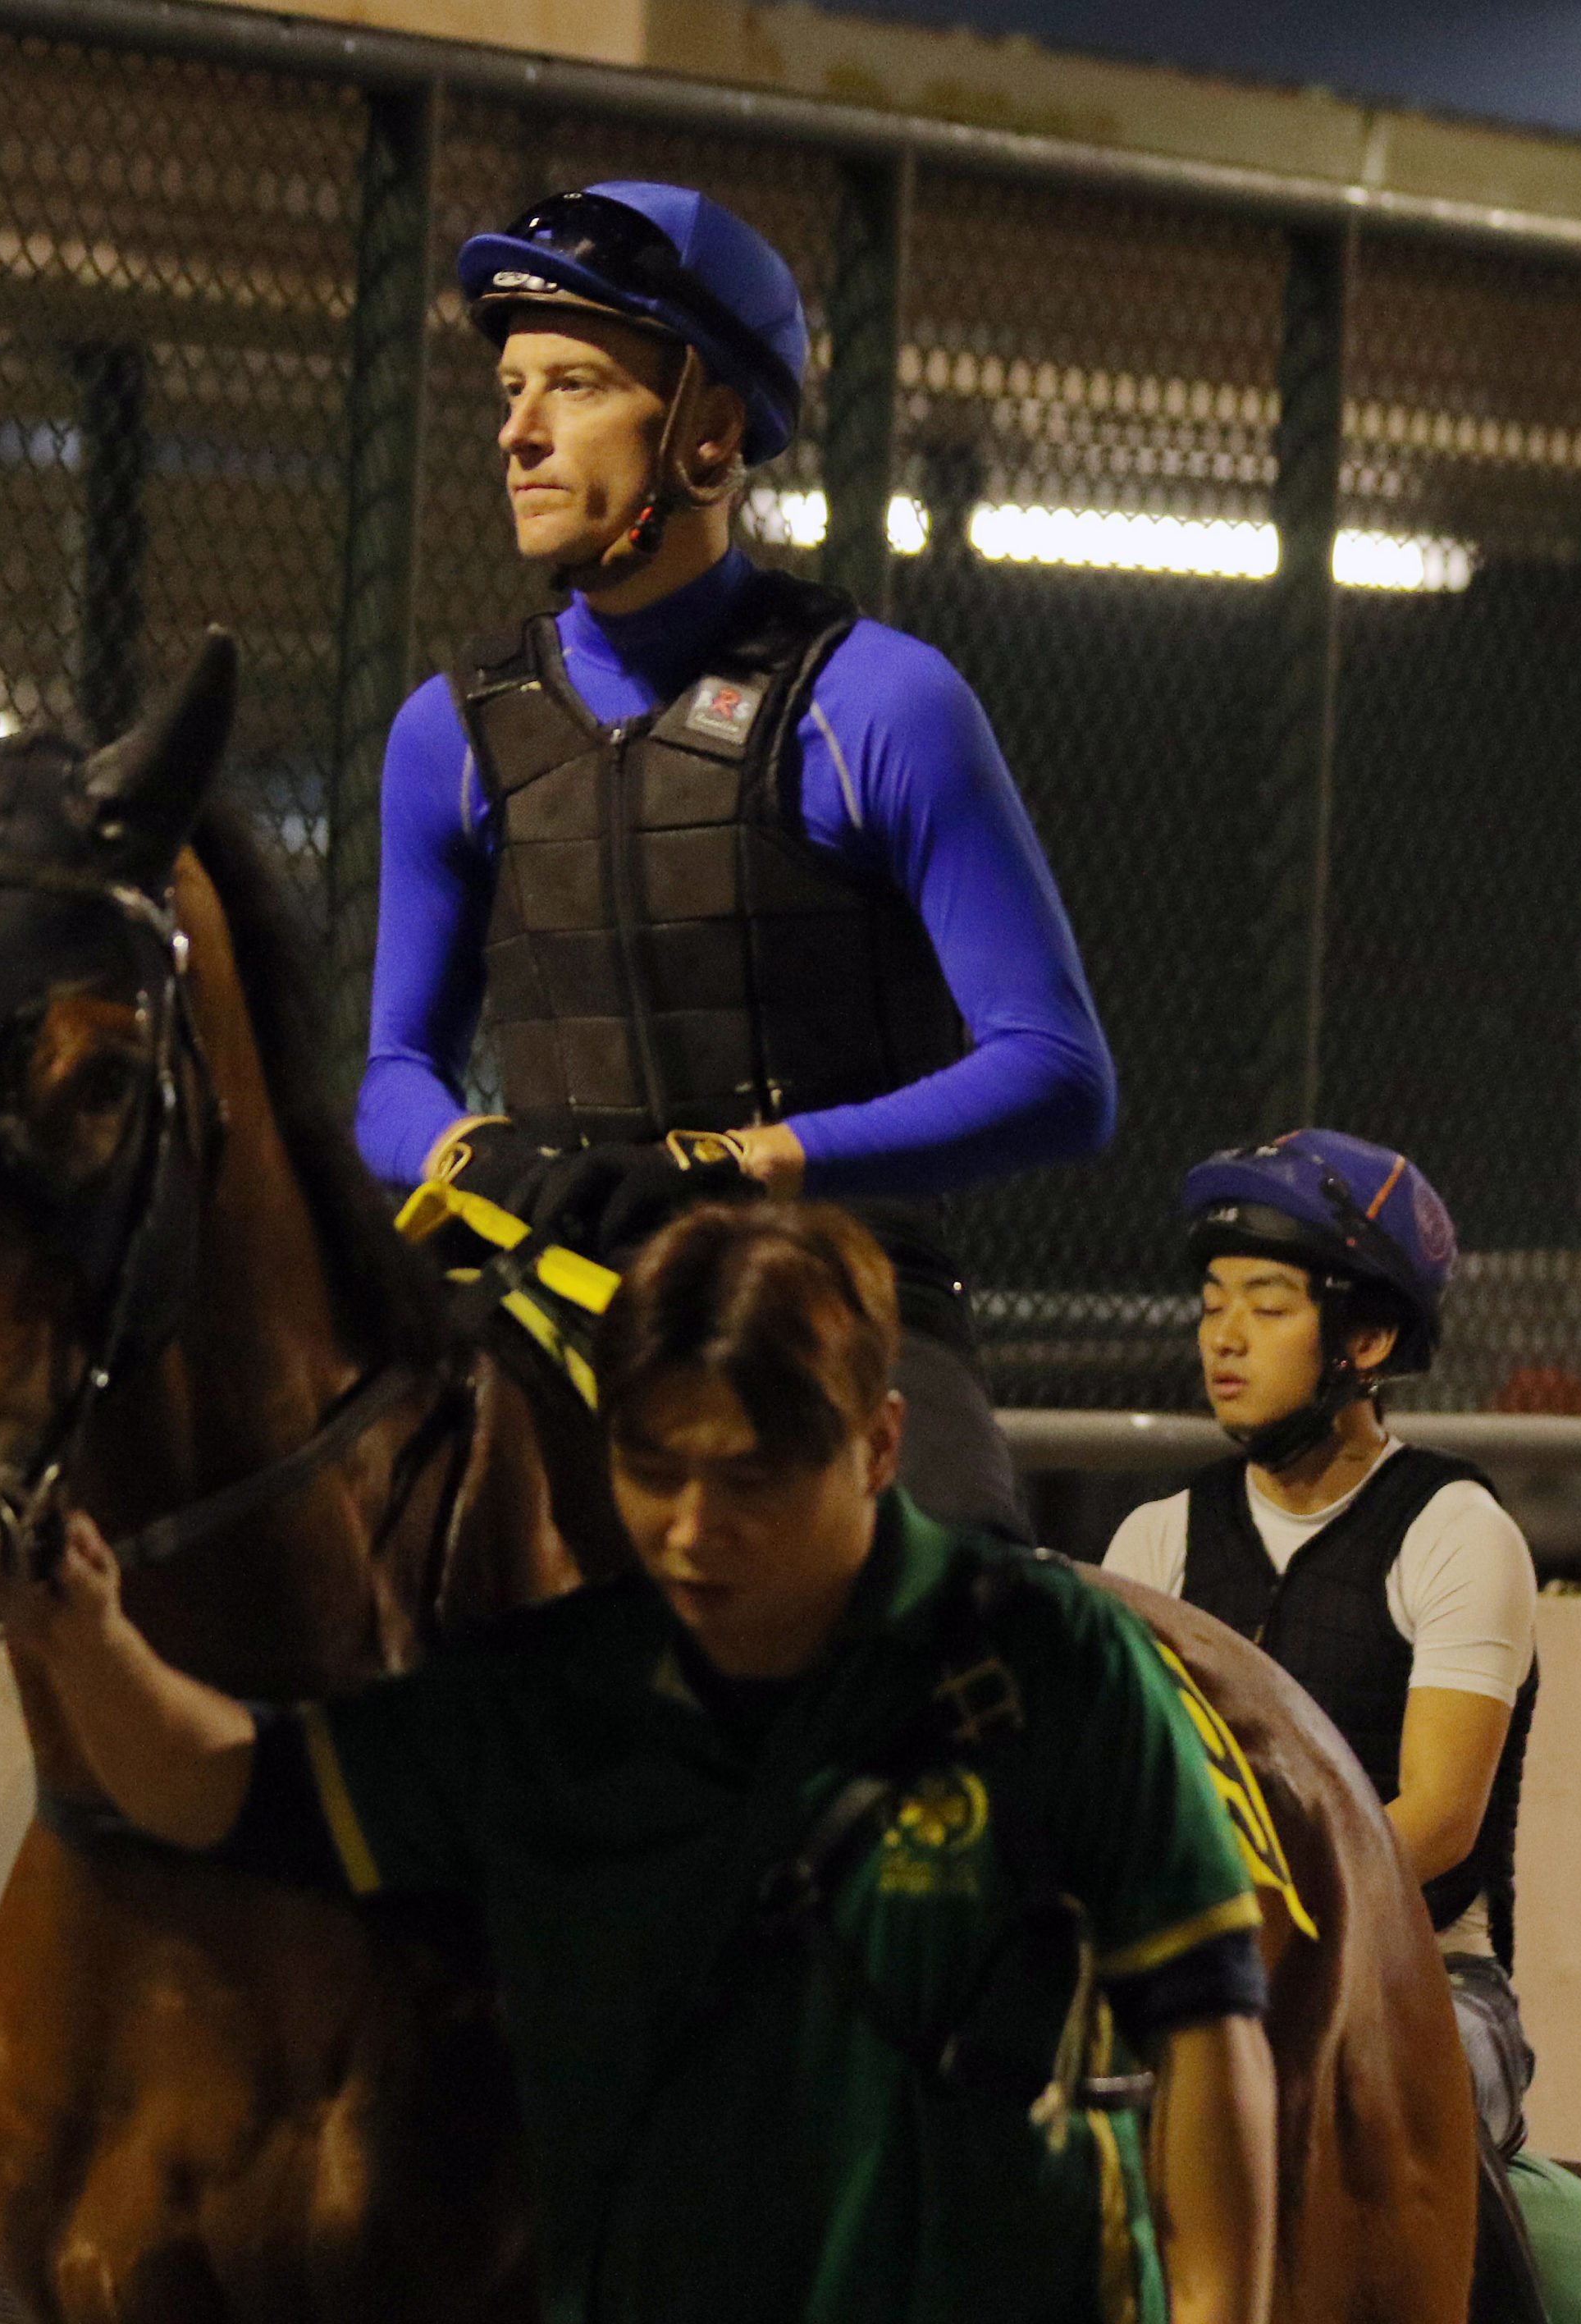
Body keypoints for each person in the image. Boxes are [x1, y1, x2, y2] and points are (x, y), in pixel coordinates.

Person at [21, 1201, 1277, 2324]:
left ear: (879, 1447)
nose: (690, 1529)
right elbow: (215, 1785)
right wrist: (89, 1643)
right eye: (651, 1470)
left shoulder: (1052, 1662)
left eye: (748, 1479)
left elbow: (1207, 2025)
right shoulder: (549, 1699)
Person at [359, 177, 1117, 1541]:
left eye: (575, 385)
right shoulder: (447, 733)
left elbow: (1061, 1076)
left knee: (975, 1614)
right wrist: (475, 1155)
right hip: (553, 1293)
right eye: (509, 391)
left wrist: (744, 1164)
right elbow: (388, 1081)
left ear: (710, 431)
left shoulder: (884, 704)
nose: (518, 435)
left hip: (835, 1295)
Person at [1098, 1129, 1540, 2160]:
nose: (1225, 1338)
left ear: (1368, 1342)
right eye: (1212, 1305)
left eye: (1268, 1305)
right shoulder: (1155, 1537)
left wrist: (1250, 1923)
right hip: (1191, 1971)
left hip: (1428, 1981)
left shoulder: (1458, 1530)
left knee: (1339, 2129)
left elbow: (1438, 1816)